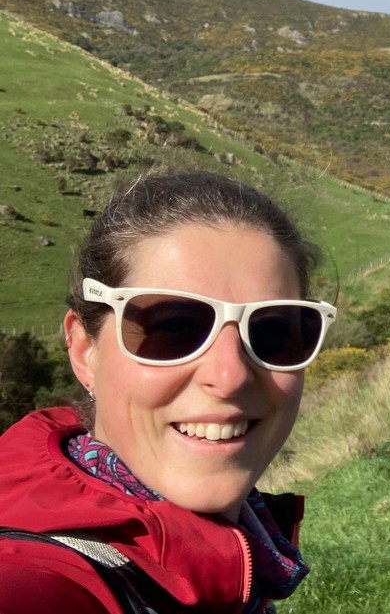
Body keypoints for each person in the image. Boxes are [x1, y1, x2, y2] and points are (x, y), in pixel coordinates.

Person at [0, 170, 337, 614]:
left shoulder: (248, 560)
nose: (230, 374)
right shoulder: (38, 583)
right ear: (85, 351)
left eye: (273, 330)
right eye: (174, 328)